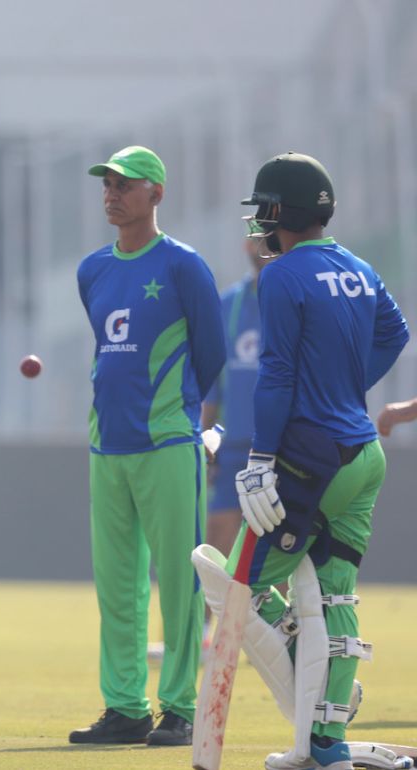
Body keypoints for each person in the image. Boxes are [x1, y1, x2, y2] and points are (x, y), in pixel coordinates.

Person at [197, 152, 407, 770]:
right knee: (337, 601)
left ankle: (300, 673)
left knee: (235, 589)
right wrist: (346, 386)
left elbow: (278, 372)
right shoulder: (361, 268)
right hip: (364, 456)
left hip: (310, 458)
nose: (258, 222)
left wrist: (261, 456)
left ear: (279, 212)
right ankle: (325, 744)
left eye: (263, 209)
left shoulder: (282, 275)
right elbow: (395, 334)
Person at [70, 146, 226, 747]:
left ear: (156, 194)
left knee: (180, 583)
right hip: (107, 445)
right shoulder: (91, 270)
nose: (112, 193)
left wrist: (183, 415)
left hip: (167, 443)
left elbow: (209, 354)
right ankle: (125, 708)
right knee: (117, 586)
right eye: (107, 184)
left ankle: (181, 707)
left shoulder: (184, 265)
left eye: (126, 185)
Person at [202, 235, 273, 562]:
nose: (265, 247)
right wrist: (207, 445)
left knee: (276, 544)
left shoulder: (296, 302)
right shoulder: (227, 304)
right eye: (258, 239)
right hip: (232, 445)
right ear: (246, 245)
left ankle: (276, 616)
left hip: (282, 446)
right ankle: (203, 616)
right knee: (216, 535)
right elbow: (213, 384)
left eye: (272, 240)